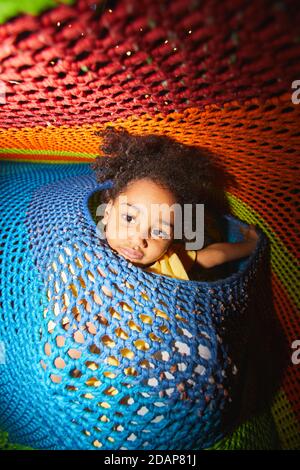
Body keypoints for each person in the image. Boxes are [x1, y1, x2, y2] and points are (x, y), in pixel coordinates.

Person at [91, 127, 258, 281]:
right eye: (129, 218)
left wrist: (250, 245)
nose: (138, 239)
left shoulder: (167, 265)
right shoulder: (86, 249)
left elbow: (215, 255)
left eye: (159, 232)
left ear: (172, 239)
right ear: (107, 213)